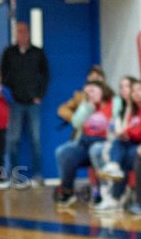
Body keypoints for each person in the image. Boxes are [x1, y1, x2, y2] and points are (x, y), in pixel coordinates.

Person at [0, 22, 49, 183]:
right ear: (15, 34)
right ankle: (15, 174)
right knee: (13, 140)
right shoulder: (9, 53)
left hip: (33, 103)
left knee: (36, 139)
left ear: (28, 33)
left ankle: (37, 174)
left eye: (24, 31)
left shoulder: (37, 53)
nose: (22, 34)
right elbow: (3, 75)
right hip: (15, 103)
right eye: (18, 31)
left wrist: (40, 94)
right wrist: (9, 95)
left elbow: (46, 74)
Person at [53, 80, 114, 208]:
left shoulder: (113, 104)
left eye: (93, 91)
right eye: (87, 92)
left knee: (94, 149)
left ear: (102, 90)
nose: (90, 94)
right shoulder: (87, 105)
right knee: (63, 152)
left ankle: (103, 193)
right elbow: (76, 123)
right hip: (85, 142)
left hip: (105, 143)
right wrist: (87, 107)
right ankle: (67, 191)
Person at [96, 78, 141, 213]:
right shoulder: (132, 110)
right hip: (132, 143)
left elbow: (136, 130)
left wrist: (127, 132)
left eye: (139, 90)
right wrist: (124, 133)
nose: (135, 93)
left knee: (124, 156)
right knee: (117, 144)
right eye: (133, 91)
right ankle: (114, 169)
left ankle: (116, 197)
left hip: (136, 145)